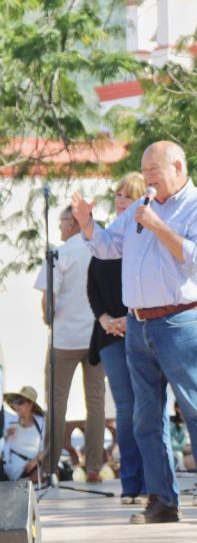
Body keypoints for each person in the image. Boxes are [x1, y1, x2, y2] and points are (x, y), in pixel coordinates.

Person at [71, 140, 197, 525]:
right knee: (146, 418)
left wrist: (159, 226)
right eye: (143, 173)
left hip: (180, 321)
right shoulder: (139, 211)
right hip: (138, 324)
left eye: (153, 172)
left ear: (178, 166)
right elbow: (109, 247)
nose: (147, 180)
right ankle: (162, 500)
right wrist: (87, 224)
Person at [34, 204, 107, 482]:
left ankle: (50, 467)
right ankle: (93, 466)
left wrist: (46, 317)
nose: (61, 227)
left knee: (56, 402)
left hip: (64, 340)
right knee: (96, 402)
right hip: (96, 337)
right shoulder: (101, 248)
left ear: (74, 223)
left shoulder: (59, 253)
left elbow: (47, 299)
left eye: (63, 222)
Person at [87, 173, 148, 504]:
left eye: (127, 195)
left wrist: (130, 316)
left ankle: (154, 483)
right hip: (109, 333)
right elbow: (92, 286)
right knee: (125, 407)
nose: (120, 200)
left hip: (142, 325)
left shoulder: (146, 235)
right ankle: (131, 484)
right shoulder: (105, 237)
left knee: (148, 407)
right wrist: (106, 319)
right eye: (117, 194)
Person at [2, 387, 46, 482]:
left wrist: (35, 461)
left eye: (20, 402)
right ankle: (24, 482)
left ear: (30, 404)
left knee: (51, 469)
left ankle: (25, 482)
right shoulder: (9, 421)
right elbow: (2, 449)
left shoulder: (41, 423)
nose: (16, 406)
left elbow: (47, 447)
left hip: (35, 466)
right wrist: (5, 436)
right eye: (14, 402)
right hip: (14, 466)